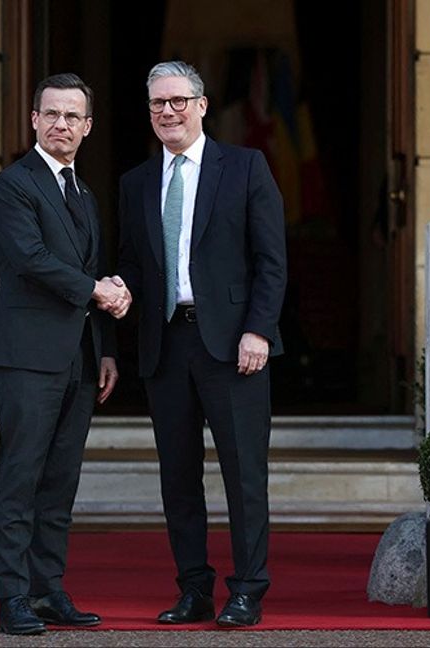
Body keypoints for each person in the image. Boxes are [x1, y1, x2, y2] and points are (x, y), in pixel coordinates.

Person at [116, 60, 286, 628]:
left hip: (235, 346)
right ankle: (194, 589)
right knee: (178, 478)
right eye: (159, 103)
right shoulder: (136, 182)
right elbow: (133, 266)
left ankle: (247, 591)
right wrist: (115, 291)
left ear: (202, 105)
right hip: (165, 347)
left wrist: (258, 329)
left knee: (244, 475)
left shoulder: (244, 167)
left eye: (179, 101)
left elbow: (271, 261)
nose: (169, 111)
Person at [0, 72, 131, 636]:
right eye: (52, 114)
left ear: (87, 127)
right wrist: (98, 289)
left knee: (61, 483)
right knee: (20, 478)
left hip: (81, 358)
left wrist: (108, 350)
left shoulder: (83, 192)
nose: (61, 124)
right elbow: (31, 258)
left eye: (73, 116)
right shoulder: (13, 185)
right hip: (28, 357)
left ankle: (48, 592)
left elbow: (91, 271)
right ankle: (14, 598)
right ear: (34, 121)